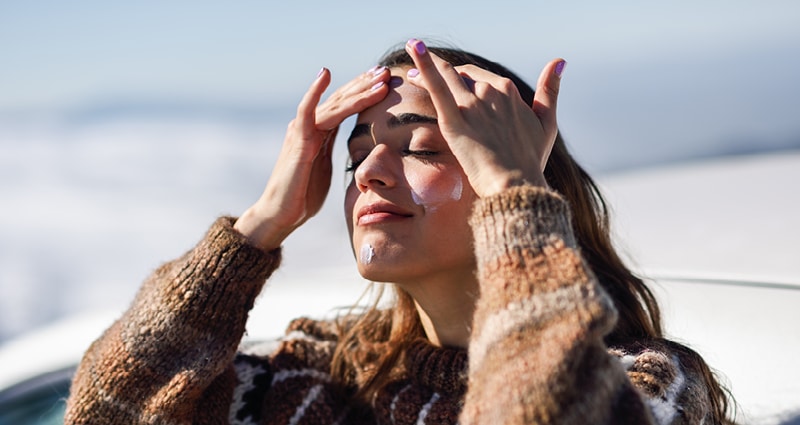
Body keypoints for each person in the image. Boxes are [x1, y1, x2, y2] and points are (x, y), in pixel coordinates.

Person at [65, 38, 735, 424]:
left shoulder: (651, 384)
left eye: (419, 147)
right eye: (355, 155)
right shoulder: (313, 376)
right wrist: (258, 227)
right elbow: (105, 411)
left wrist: (514, 196)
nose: (370, 174)